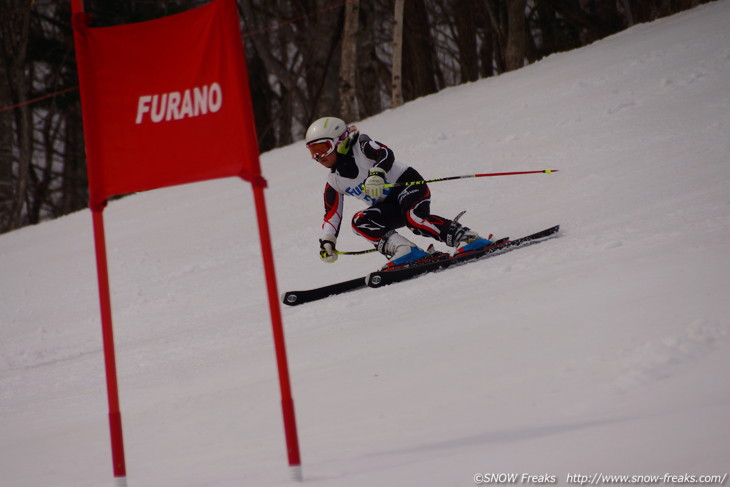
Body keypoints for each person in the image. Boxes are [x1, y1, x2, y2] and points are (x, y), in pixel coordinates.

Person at [305, 116, 491, 269]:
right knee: (360, 222)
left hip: (409, 185)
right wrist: (328, 240)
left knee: (414, 219)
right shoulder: (334, 181)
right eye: (313, 152)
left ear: (340, 141)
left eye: (322, 149)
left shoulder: (361, 146)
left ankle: (468, 238)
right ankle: (406, 251)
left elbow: (385, 153)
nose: (318, 158)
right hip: (388, 206)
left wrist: (378, 172)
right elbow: (332, 215)